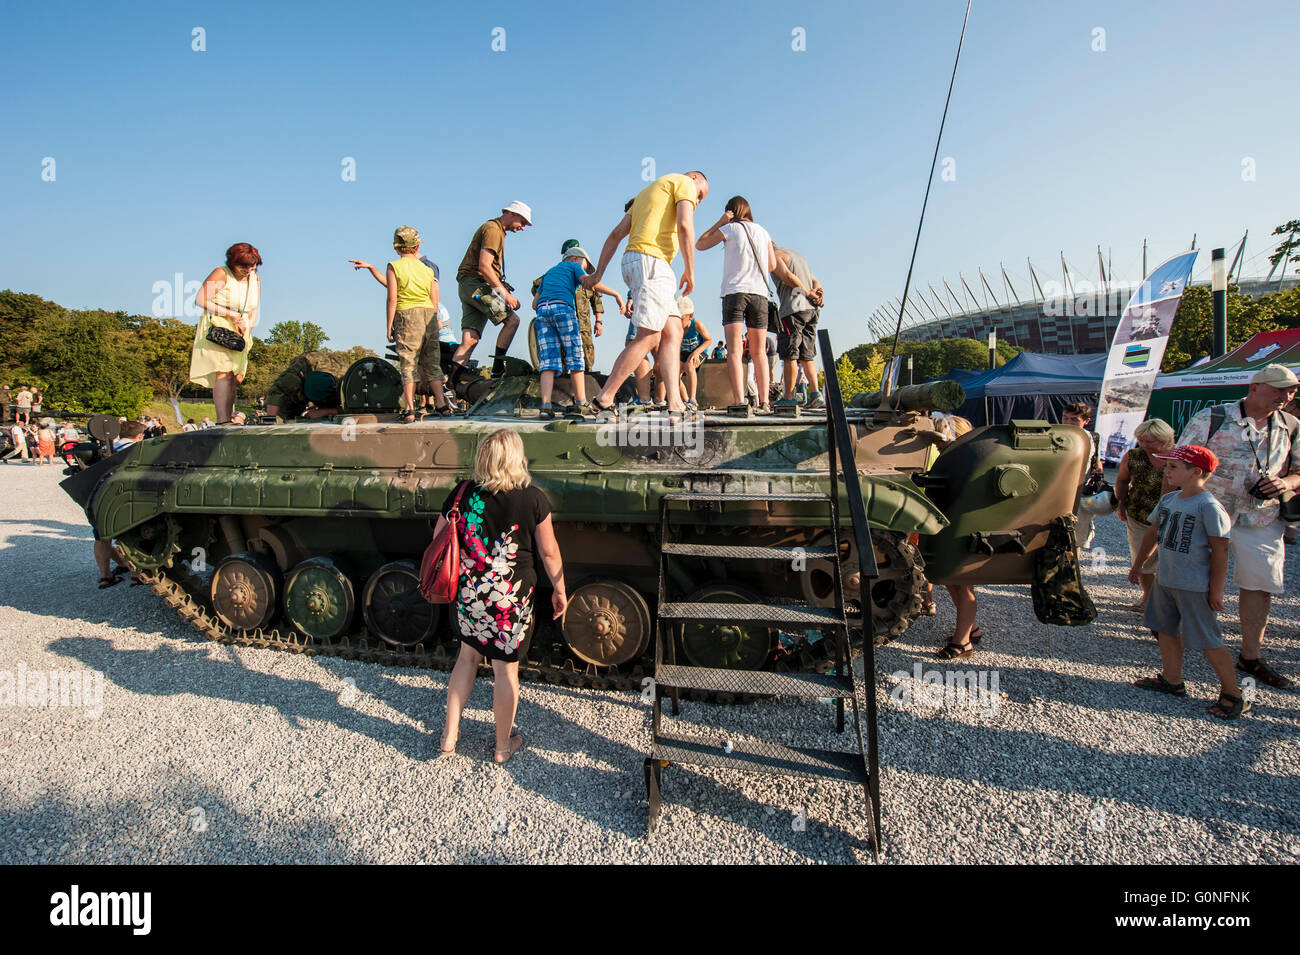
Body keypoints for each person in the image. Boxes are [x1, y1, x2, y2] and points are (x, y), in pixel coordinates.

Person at [437, 430, 566, 764]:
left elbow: (439, 538)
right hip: (510, 599)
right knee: (505, 672)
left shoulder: (462, 494)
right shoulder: (533, 498)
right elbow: (549, 553)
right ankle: (502, 747)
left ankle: (449, 736)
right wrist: (560, 589)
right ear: (516, 458)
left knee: (466, 659)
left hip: (470, 595)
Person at [1179, 363, 1300, 690]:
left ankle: (1251, 655)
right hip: (1209, 511)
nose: (1286, 396)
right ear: (1255, 386)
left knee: (1260, 582)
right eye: (1279, 389)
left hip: (1260, 515)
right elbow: (1182, 461)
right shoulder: (1212, 417)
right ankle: (1190, 639)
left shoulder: (1291, 425)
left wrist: (1283, 482)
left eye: (1291, 391)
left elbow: (1299, 471)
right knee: (1194, 576)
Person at [1129, 445, 1246, 718]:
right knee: (1165, 629)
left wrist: (1216, 589)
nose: (1166, 471)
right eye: (1167, 466)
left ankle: (1233, 693)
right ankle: (1172, 679)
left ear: (1196, 472)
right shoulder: (1169, 500)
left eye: (1173, 467)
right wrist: (1139, 564)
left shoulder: (1209, 506)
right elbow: (1152, 532)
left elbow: (1221, 549)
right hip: (1166, 580)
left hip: (1193, 585)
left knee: (1207, 638)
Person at [583, 172, 709, 420]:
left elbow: (615, 235)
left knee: (673, 331)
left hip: (636, 261)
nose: (698, 200)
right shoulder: (684, 183)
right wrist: (690, 270)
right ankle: (604, 399)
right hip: (653, 262)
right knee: (648, 337)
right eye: (701, 195)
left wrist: (598, 274)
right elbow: (685, 224)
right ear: (694, 178)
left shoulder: (645, 194)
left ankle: (675, 403)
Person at [695, 197, 807, 412]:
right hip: (759, 295)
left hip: (735, 293)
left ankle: (739, 402)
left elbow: (700, 244)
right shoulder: (762, 232)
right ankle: (764, 402)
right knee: (759, 352)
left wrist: (721, 221)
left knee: (735, 351)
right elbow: (773, 264)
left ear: (731, 211)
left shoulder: (729, 229)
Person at [532, 247, 625, 419]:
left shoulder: (548, 273)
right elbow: (590, 284)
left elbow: (534, 303)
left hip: (542, 313)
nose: (584, 269)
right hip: (563, 309)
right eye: (585, 265)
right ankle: (581, 403)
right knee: (575, 355)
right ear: (575, 258)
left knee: (548, 361)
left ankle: (545, 407)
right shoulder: (574, 267)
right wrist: (616, 294)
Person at [449, 202, 532, 382]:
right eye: (523, 222)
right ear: (512, 214)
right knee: (512, 321)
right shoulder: (494, 230)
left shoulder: (495, 229)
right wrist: (504, 293)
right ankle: (497, 370)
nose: (523, 228)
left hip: (468, 285)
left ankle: (450, 385)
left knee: (470, 339)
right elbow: (485, 266)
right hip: (477, 284)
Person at [190, 242, 262, 424]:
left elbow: (254, 308)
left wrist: (249, 328)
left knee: (236, 376)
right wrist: (231, 315)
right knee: (223, 373)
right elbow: (200, 299)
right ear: (233, 263)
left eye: (252, 265)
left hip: (242, 330)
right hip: (220, 327)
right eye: (244, 266)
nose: (248, 270)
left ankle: (228, 416)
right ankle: (223, 420)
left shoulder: (255, 279)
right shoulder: (222, 273)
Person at [384, 226, 450, 422]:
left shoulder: (394, 266)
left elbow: (392, 299)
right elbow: (434, 298)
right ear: (417, 245)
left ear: (397, 247)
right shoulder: (427, 269)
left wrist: (389, 325)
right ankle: (442, 404)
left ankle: (410, 408)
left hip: (407, 315)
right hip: (428, 314)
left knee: (408, 362)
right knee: (432, 362)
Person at [1115, 418, 1176, 612]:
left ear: (1164, 439)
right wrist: (1121, 504)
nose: (1144, 445)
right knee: (1142, 558)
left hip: (1174, 519)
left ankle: (1169, 599)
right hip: (1140, 513)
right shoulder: (1134, 456)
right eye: (1141, 440)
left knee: (1169, 561)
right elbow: (1122, 480)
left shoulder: (1179, 457)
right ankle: (1149, 596)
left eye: (1149, 441)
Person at [533, 239, 606, 373]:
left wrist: (599, 321)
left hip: (583, 325)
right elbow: (537, 287)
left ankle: (587, 379)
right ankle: (565, 381)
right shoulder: (556, 274)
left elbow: (597, 301)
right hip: (561, 320)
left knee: (585, 354)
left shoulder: (585, 278)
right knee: (562, 354)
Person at [770, 245, 826, 409]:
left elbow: (787, 276)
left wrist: (808, 293)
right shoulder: (797, 256)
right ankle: (816, 394)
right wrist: (817, 292)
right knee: (807, 355)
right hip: (811, 310)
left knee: (790, 355)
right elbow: (814, 280)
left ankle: (789, 397)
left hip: (793, 309)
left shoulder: (774, 256)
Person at [95, 421, 146, 588]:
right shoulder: (140, 450)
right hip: (128, 500)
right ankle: (136, 574)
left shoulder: (106, 449)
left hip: (102, 500)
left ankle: (105, 576)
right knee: (133, 536)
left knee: (102, 537)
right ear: (139, 436)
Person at [264, 350, 355, 419]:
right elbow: (277, 391)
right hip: (303, 378)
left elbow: (360, 409)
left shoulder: (347, 378)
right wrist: (271, 421)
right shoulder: (296, 374)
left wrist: (326, 411)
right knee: (287, 415)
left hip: (336, 389)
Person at [1061, 401, 1103, 547]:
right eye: (1065, 417)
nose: (1068, 422)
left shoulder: (1092, 438)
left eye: (1074, 420)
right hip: (1057, 492)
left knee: (1077, 539)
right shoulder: (1053, 434)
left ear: (1086, 421)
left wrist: (1098, 470)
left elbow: (1096, 459)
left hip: (1081, 492)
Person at [676, 296, 712, 409]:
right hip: (684, 352)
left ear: (690, 316)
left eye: (680, 318)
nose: (677, 321)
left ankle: (693, 399)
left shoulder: (696, 324)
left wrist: (696, 353)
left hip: (699, 351)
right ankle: (685, 399)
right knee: (673, 373)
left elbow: (709, 340)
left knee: (689, 365)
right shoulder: (677, 328)